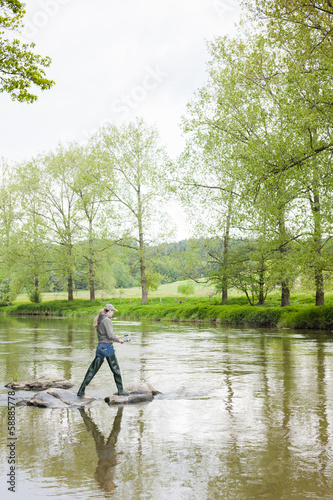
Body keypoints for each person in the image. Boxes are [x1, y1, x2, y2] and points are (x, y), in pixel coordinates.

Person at [77, 304, 128, 397]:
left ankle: (81, 390)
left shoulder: (100, 319)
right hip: (107, 348)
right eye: (113, 311)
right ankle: (121, 391)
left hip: (100, 347)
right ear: (109, 311)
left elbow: (106, 336)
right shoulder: (107, 320)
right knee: (116, 370)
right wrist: (117, 339)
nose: (113, 313)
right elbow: (110, 336)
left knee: (92, 370)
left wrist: (116, 339)